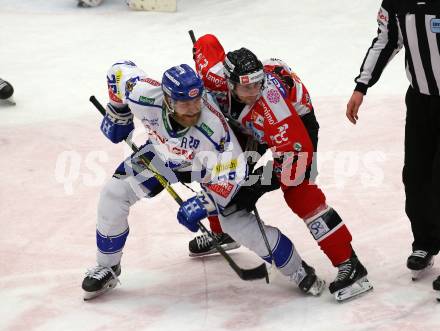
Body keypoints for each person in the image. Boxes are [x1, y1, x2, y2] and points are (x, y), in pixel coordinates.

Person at [81, 60, 325, 300]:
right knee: (114, 193)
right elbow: (118, 72)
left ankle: (297, 270)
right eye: (185, 103)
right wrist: (118, 112)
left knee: (234, 222)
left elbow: (234, 172)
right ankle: (108, 267)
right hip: (160, 155)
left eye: (197, 100)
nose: (193, 109)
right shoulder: (144, 94)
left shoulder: (213, 126)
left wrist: (205, 202)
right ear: (167, 99)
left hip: (206, 166)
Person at [189, 34, 373, 301]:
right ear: (228, 83)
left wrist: (254, 188)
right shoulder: (212, 76)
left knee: (299, 192)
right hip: (247, 123)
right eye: (246, 87)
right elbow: (206, 42)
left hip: (295, 127)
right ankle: (222, 231)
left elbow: (293, 163)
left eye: (257, 85)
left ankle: (350, 263)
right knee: (218, 164)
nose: (253, 92)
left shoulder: (272, 107)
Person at [346, 0, 440, 293]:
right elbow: (386, 41)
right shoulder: (397, 2)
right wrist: (362, 86)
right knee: (415, 176)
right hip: (421, 103)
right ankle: (425, 243)